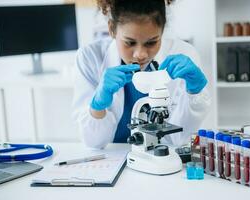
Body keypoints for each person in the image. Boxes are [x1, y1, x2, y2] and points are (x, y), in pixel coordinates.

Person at [73, 0, 211, 149]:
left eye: (151, 43)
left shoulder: (184, 54)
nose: (140, 54)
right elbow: (93, 142)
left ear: (162, 30)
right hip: (111, 158)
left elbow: (178, 138)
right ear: (112, 29)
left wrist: (195, 92)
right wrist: (97, 106)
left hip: (161, 155)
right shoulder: (90, 57)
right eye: (130, 43)